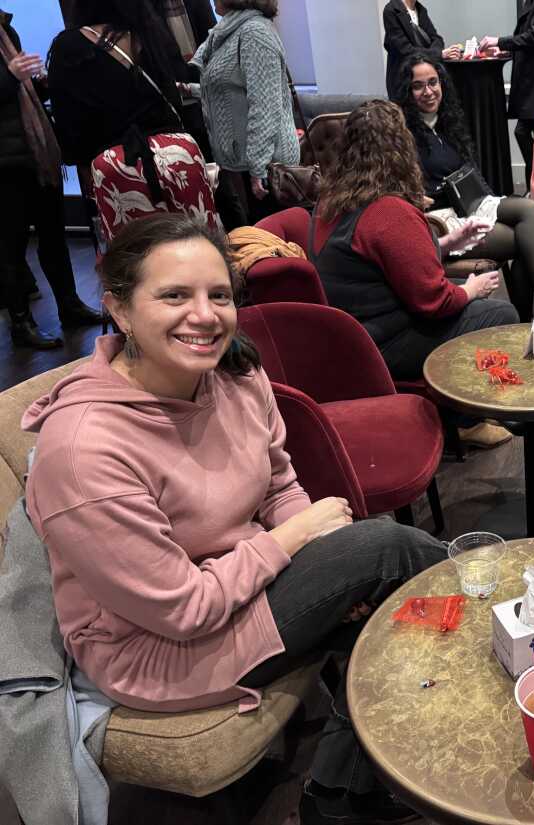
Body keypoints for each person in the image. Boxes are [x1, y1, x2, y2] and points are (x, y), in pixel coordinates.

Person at [22, 213, 448, 825]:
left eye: (218, 294)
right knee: (390, 553)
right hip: (159, 648)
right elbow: (182, 610)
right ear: (118, 309)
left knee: (385, 597)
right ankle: (513, 648)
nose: (205, 315)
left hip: (241, 585)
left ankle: (338, 794)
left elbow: (280, 484)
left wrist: (318, 558)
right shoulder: (85, 451)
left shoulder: (234, 374)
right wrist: (299, 541)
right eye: (174, 295)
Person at [312, 99, 518, 448]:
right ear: (400, 147)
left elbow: (384, 263)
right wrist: (471, 289)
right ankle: (465, 420)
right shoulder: (389, 211)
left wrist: (449, 242)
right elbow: (432, 302)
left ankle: (461, 410)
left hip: (354, 336)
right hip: (383, 343)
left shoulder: (333, 201)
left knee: (466, 295)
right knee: (500, 312)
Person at [396, 52, 534, 321]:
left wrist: (491, 200)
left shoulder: (449, 121)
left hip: (470, 202)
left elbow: (470, 171)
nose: (428, 91)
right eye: (418, 86)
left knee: (529, 208)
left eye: (433, 82)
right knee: (524, 239)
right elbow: (403, 188)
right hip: (443, 218)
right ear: (407, 91)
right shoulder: (403, 133)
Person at [47, 0, 221, 244]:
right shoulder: (152, 34)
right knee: (197, 242)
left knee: (136, 258)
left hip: (117, 167)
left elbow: (70, 124)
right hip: (176, 158)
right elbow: (174, 93)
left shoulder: (69, 47)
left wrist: (85, 167)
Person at [0, 9, 101, 350]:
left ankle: (69, 305)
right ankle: (20, 323)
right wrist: (11, 77)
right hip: (5, 162)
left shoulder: (6, 30)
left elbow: (18, 97)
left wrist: (36, 82)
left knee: (53, 235)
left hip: (36, 152)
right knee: (11, 246)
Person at [189, 0, 299, 223]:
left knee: (271, 242)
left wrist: (259, 167)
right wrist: (189, 90)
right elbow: (231, 91)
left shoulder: (254, 33)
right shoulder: (228, 32)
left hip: (267, 167)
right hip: (243, 163)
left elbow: (265, 105)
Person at [479, 0, 534, 187]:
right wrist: (504, 49)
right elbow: (527, 39)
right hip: (533, 83)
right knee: (528, 135)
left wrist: (500, 42)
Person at [381, 0, 460, 100]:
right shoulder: (391, 10)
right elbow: (404, 49)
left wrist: (437, 52)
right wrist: (438, 54)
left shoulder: (421, 9)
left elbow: (436, 38)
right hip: (403, 78)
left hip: (424, 74)